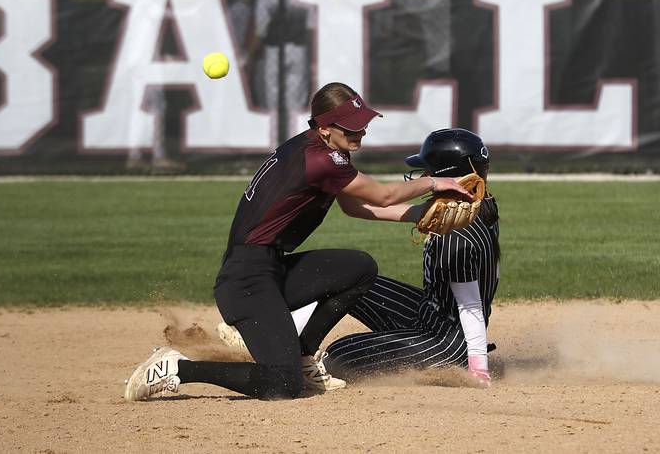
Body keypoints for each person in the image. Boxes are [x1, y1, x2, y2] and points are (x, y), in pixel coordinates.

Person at [124, 83, 472, 401]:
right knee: (281, 384)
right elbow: (383, 195)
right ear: (324, 127)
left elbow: (355, 207)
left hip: (270, 268)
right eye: (351, 126)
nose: (361, 131)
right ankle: (176, 368)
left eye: (362, 122)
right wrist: (433, 184)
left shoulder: (320, 150)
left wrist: (419, 215)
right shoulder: (321, 159)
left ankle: (304, 356)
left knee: (359, 268)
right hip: (246, 281)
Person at [324, 128, 499, 387]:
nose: (424, 176)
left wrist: (478, 368)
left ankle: (462, 361)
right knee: (348, 277)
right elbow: (367, 208)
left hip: (446, 342)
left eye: (429, 171)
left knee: (336, 355)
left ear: (447, 177)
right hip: (433, 312)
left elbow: (471, 306)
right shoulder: (478, 205)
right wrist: (335, 178)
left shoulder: (455, 235)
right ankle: (290, 337)